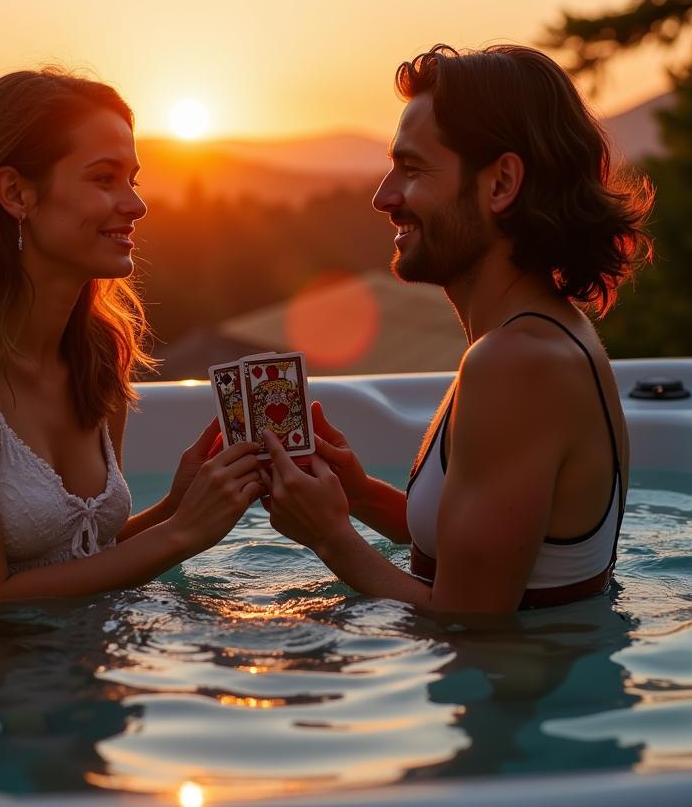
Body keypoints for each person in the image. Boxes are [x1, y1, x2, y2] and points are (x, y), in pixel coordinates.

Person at [264, 44, 654, 613]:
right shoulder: (529, 338)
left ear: (501, 184)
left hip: (520, 695)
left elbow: (473, 622)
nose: (384, 197)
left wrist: (329, 537)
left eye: (413, 168)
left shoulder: (517, 363)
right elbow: (485, 542)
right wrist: (360, 496)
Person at [0, 69, 262, 602]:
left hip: (72, 664)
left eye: (133, 180)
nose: (136, 205)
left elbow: (86, 557)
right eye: (103, 179)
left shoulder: (96, 352)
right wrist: (183, 533)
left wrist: (176, 507)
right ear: (15, 192)